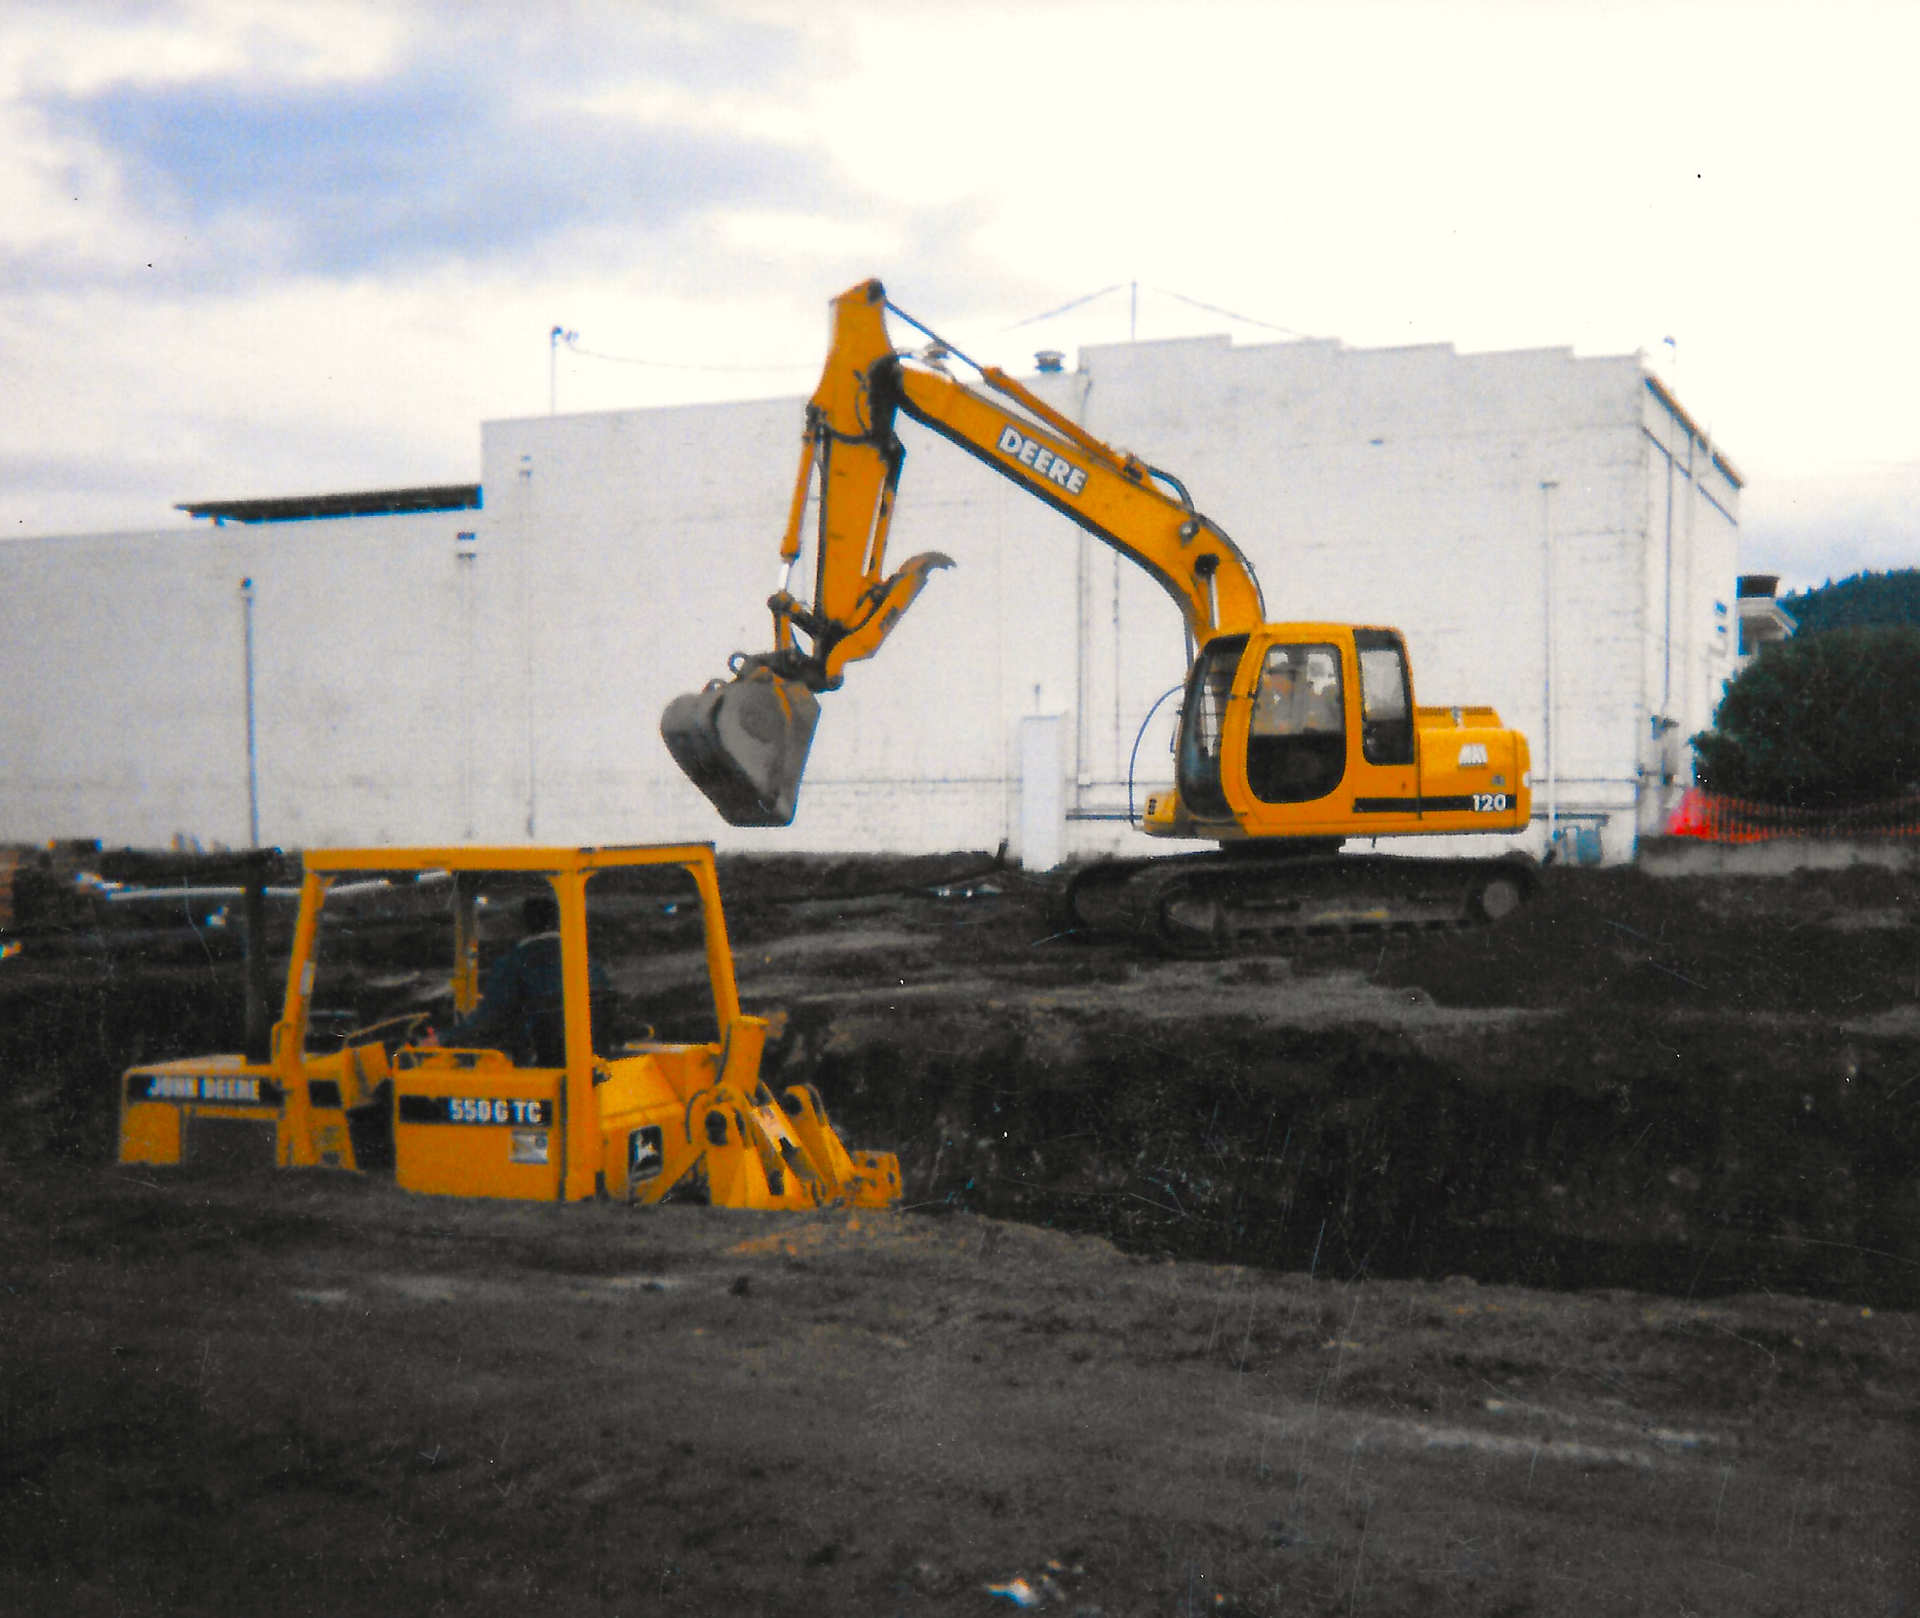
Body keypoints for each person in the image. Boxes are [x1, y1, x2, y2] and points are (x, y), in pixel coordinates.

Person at [439, 894, 582, 1067]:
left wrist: (442, 1038)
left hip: (531, 1067)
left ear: (523, 925)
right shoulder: (584, 963)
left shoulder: (513, 965)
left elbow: (488, 1020)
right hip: (581, 1061)